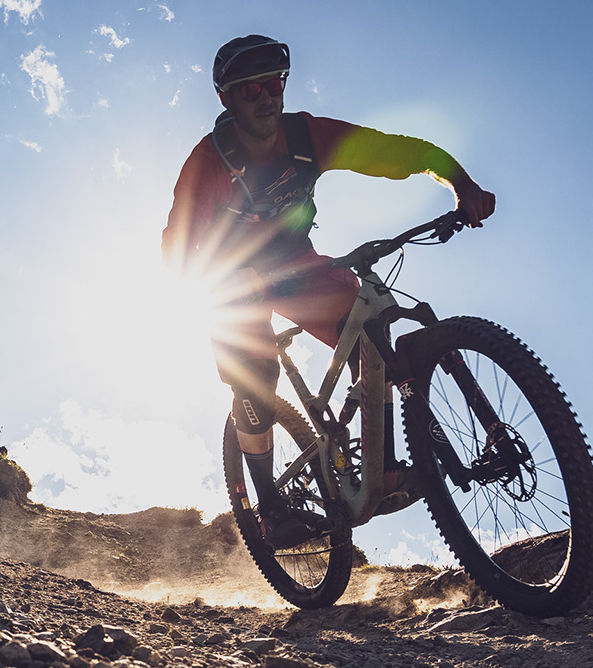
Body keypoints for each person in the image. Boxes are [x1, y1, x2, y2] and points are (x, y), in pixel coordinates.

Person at [161, 34, 495, 542]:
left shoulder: (306, 137)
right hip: (229, 282)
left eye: (274, 84)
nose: (266, 97)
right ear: (226, 98)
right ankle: (271, 511)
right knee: (256, 376)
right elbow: (177, 247)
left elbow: (399, 151)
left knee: (371, 331)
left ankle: (382, 472)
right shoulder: (209, 161)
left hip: (295, 264)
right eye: (250, 90)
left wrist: (461, 184)